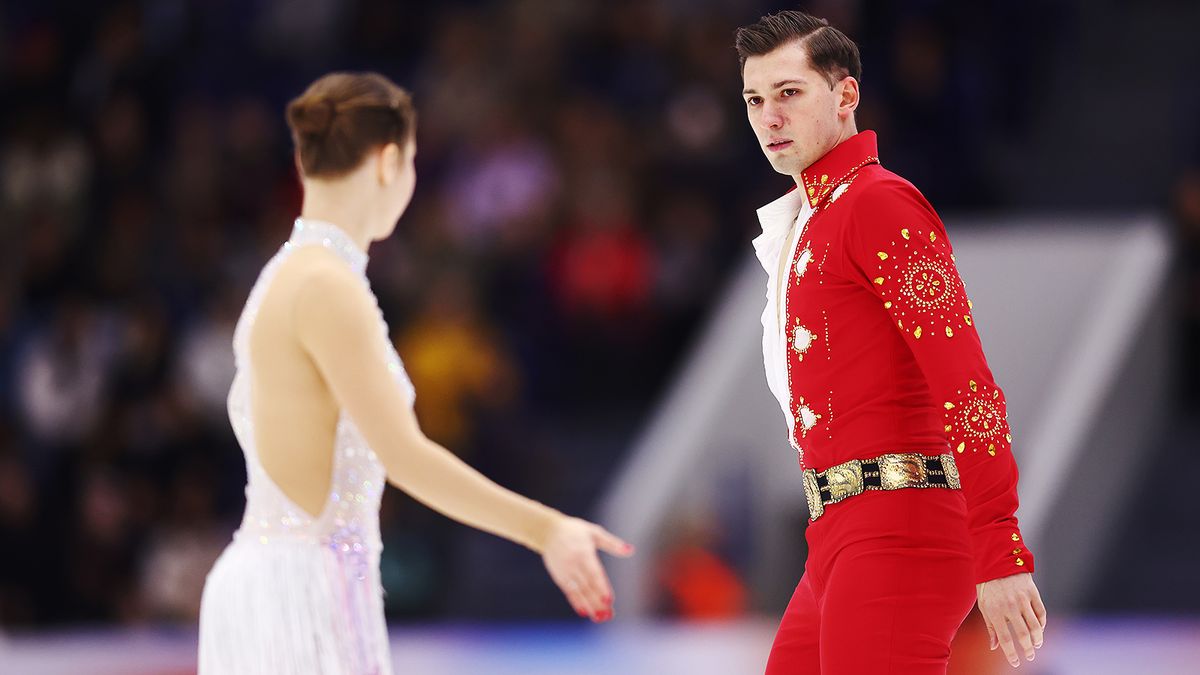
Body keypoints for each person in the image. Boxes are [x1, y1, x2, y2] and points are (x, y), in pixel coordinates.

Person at [197, 72, 632, 675]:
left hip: (295, 585)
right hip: (299, 595)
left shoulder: (297, 275)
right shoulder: (325, 284)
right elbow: (405, 456)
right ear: (389, 162)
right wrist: (546, 529)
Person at [734, 11, 1047, 673]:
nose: (770, 117)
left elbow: (968, 385)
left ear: (846, 95)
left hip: (901, 532)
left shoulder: (879, 205)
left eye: (789, 93)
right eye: (755, 100)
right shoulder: (813, 219)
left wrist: (1000, 547)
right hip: (838, 534)